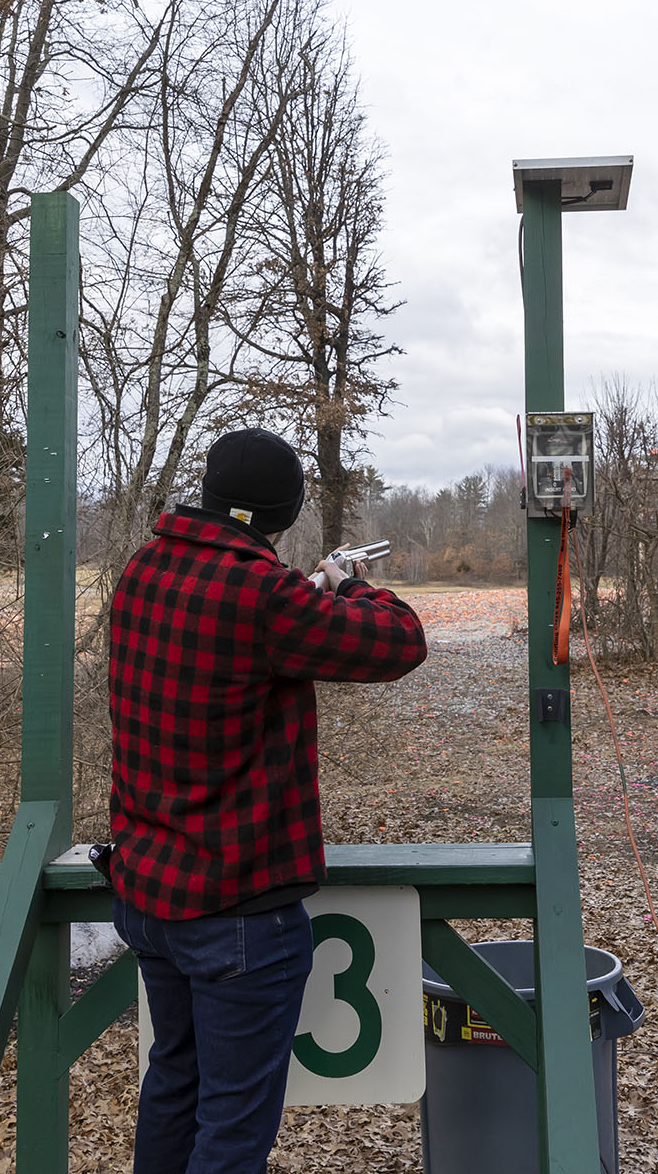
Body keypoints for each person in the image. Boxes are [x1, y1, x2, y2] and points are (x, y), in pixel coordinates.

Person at [106, 427, 428, 1174]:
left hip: (150, 894)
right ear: (283, 513)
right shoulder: (263, 595)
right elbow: (401, 640)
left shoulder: (144, 568)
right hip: (238, 910)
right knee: (233, 1127)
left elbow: (223, 648)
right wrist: (346, 584)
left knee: (174, 1085)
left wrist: (305, 592)